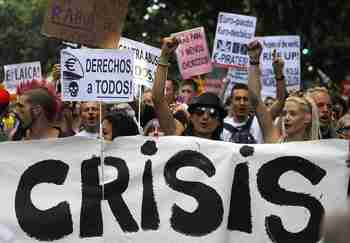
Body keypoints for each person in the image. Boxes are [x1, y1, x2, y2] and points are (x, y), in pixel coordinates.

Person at [152, 37, 226, 140]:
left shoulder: (226, 150)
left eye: (212, 114)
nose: (205, 117)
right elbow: (157, 99)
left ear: (219, 122)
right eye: (200, 112)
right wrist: (164, 56)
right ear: (191, 117)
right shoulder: (178, 135)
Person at [247, 40, 320, 143]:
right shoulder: (275, 141)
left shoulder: (318, 150)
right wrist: (254, 60)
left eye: (293, 114)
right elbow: (255, 100)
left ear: (307, 118)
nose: (286, 118)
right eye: (284, 113)